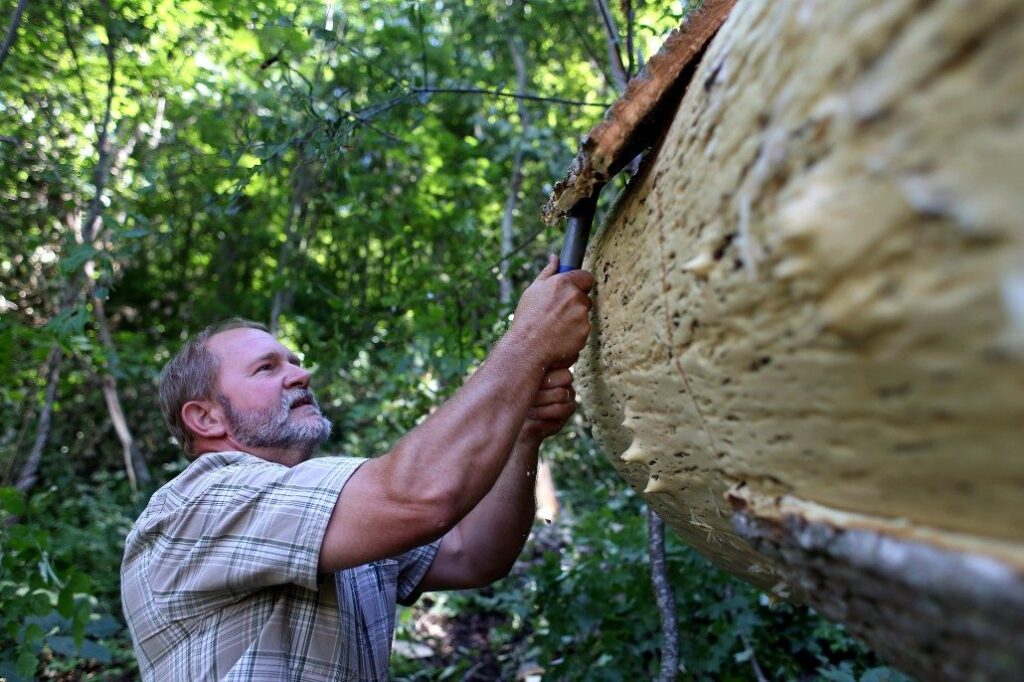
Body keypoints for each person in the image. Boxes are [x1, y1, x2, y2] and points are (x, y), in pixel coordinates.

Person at [120, 255, 595, 681]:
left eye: (295, 361)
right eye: (267, 368)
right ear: (205, 417)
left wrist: (523, 437)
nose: (300, 374)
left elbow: (474, 555)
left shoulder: (322, 512)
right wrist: (528, 341)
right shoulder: (197, 504)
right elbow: (417, 497)